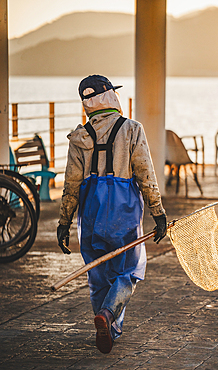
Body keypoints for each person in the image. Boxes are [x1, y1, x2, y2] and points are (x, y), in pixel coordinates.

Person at [57, 75, 167, 354]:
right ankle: (107, 316)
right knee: (129, 271)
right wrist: (158, 212)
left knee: (97, 278)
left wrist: (64, 223)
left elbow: (71, 183)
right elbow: (145, 174)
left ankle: (109, 326)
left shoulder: (80, 136)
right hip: (124, 214)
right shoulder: (131, 129)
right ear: (110, 97)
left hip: (91, 217)